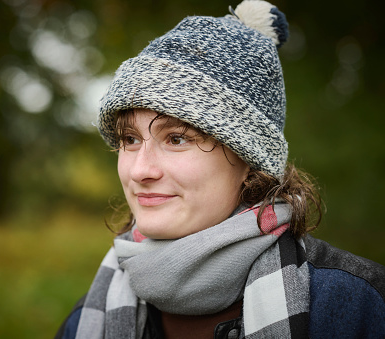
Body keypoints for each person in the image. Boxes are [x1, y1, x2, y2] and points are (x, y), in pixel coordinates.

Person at [56, 0, 385, 338]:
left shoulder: (357, 306)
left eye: (177, 138)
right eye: (130, 139)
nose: (140, 170)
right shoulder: (86, 320)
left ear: (249, 162)